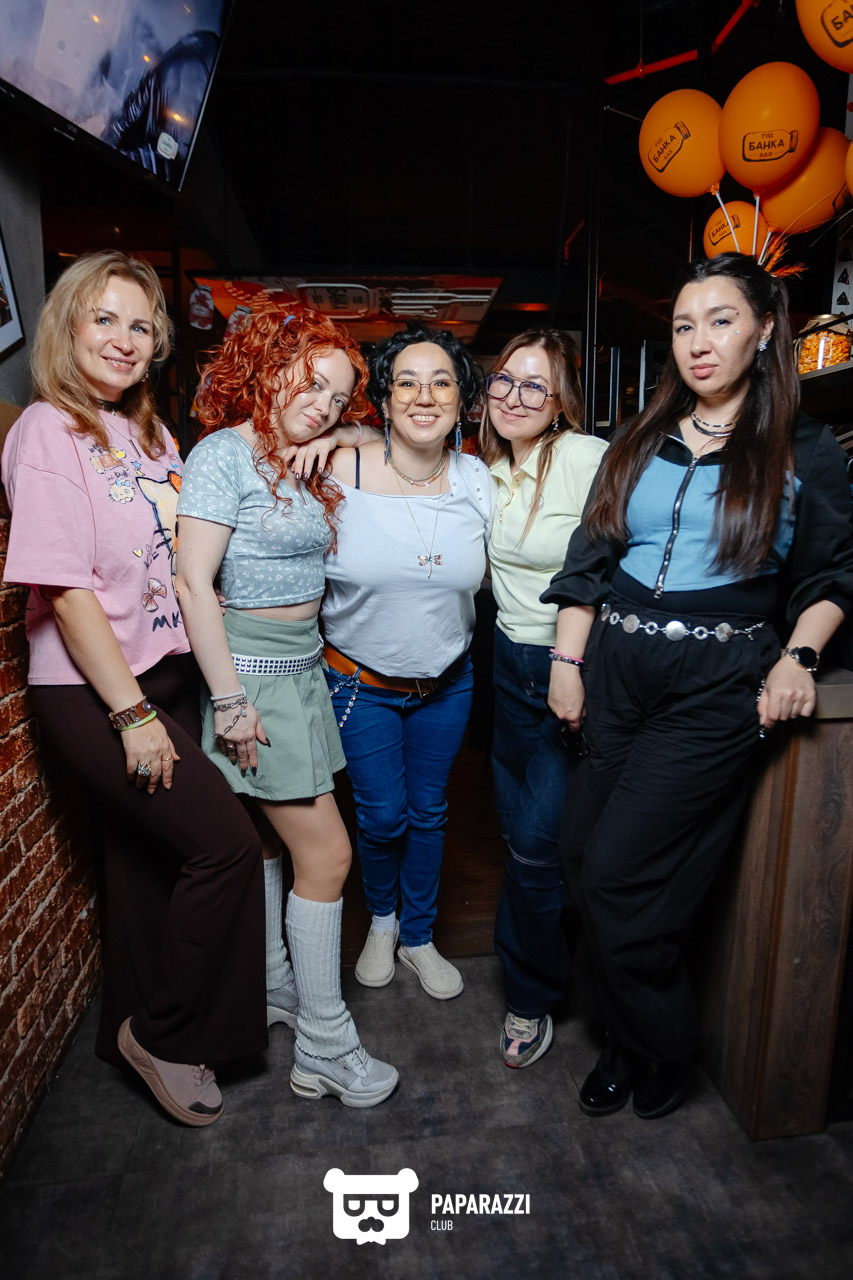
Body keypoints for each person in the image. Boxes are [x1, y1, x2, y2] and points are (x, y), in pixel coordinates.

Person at [543, 253, 853, 1120]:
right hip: (616, 668)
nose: (698, 342)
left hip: (715, 684)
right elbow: (588, 562)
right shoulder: (638, 438)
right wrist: (567, 666)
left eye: (720, 321)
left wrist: (798, 658)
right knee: (578, 863)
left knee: (617, 877)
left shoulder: (804, 447)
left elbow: (830, 576)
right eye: (683, 325)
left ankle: (661, 1045)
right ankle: (628, 1038)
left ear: (763, 330)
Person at [1, 250, 267, 1127]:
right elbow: (66, 590)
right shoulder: (48, 430)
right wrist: (132, 714)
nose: (123, 339)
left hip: (164, 667)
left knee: (148, 863)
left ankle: (133, 1020)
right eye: (104, 318)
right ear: (67, 326)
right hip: (96, 687)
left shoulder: (150, 436)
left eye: (141, 326)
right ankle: (166, 1032)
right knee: (224, 847)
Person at [175, 303, 398, 1108]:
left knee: (274, 841)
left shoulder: (304, 451)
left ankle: (275, 986)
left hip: (302, 670)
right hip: (253, 674)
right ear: (266, 370)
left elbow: (389, 443)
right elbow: (191, 583)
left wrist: (336, 435)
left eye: (337, 397)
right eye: (309, 385)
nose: (322, 405)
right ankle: (325, 1047)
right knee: (329, 857)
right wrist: (231, 703)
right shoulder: (222, 454)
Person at [323, 327, 494, 1000]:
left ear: (461, 398)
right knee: (382, 815)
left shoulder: (477, 480)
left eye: (441, 381)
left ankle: (418, 935)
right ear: (384, 400)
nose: (425, 396)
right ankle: (381, 922)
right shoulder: (338, 468)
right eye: (407, 382)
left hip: (447, 685)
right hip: (359, 683)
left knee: (428, 811)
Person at [479, 329, 607, 1069]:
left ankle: (531, 995)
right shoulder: (491, 469)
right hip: (508, 668)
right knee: (522, 841)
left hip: (570, 669)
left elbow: (610, 562)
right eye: (505, 379)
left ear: (561, 403)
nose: (516, 396)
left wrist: (570, 661)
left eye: (536, 385)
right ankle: (560, 961)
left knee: (534, 849)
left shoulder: (584, 457)